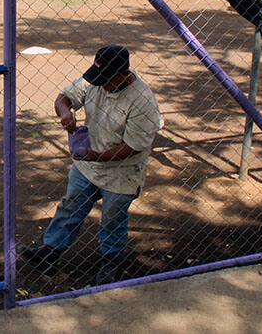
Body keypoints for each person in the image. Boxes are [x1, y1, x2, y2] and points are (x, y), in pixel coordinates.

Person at [21, 45, 162, 285]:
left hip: (122, 172)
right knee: (70, 206)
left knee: (112, 219)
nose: (100, 84)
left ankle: (111, 261)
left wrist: (95, 157)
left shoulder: (143, 101)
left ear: (122, 74)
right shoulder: (95, 81)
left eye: (106, 79)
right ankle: (50, 254)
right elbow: (63, 98)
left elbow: (131, 147)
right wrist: (65, 112)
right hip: (88, 164)